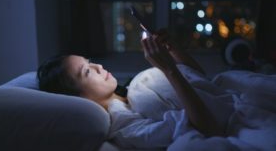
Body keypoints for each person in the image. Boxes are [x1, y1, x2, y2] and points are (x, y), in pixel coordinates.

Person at [37, 30, 233, 148]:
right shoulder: (126, 128)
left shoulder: (132, 90)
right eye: (87, 72)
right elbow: (208, 127)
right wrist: (168, 69)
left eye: (91, 62)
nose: (99, 67)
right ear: (79, 98)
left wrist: (174, 50)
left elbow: (201, 82)